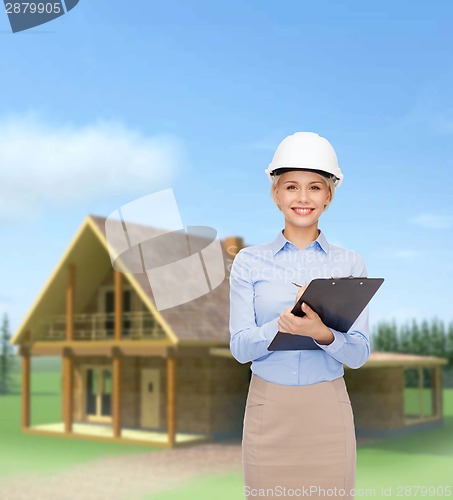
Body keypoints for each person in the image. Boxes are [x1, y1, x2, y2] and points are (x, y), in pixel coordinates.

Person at [229, 132, 370, 499]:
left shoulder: (350, 263)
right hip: (269, 409)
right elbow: (241, 348)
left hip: (328, 410)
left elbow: (358, 353)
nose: (303, 198)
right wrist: (281, 327)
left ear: (329, 195)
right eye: (291, 186)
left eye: (315, 187)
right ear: (276, 194)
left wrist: (322, 333)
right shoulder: (248, 261)